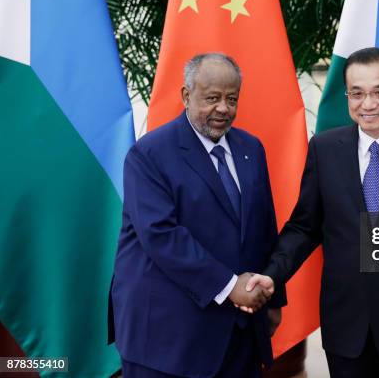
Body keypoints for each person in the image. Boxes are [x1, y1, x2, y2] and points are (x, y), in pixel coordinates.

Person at [246, 47, 379, 377]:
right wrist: (272, 275)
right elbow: (304, 227)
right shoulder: (325, 149)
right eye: (357, 94)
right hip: (346, 326)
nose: (368, 104)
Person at [108, 53, 284, 378]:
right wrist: (230, 285)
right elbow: (161, 235)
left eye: (232, 99)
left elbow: (262, 226)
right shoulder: (149, 154)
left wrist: (273, 300)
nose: (223, 109)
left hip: (240, 331)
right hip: (166, 339)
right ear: (186, 96)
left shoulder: (251, 148)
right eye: (212, 98)